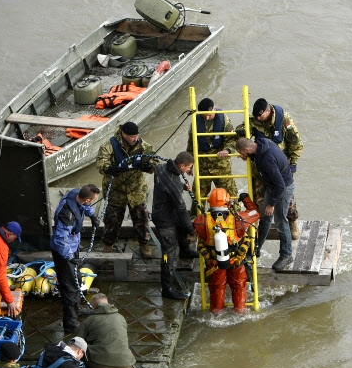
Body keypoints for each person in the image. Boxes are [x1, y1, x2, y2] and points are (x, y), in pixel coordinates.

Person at [235, 98, 304, 239]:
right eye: (256, 116)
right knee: (260, 201)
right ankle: (260, 228)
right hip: (260, 169)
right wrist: (240, 131)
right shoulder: (254, 120)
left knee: (287, 199)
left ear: (268, 111)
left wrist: (292, 164)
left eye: (261, 115)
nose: (258, 118)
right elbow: (241, 134)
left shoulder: (284, 119)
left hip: (279, 168)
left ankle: (292, 222)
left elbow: (296, 144)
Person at [193, 188, 260, 314]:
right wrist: (245, 199)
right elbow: (255, 213)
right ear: (228, 203)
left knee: (217, 287)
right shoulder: (238, 219)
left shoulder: (200, 221)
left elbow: (192, 229)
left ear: (209, 203)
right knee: (239, 286)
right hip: (236, 261)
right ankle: (240, 311)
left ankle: (216, 313)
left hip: (215, 263)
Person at [96, 122, 158, 258]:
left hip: (136, 190)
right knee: (112, 220)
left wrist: (149, 166)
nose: (135, 139)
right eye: (132, 136)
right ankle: (108, 244)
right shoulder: (108, 146)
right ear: (124, 134)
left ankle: (144, 243)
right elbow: (101, 163)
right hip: (115, 191)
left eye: (137, 135)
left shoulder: (143, 146)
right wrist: (110, 169)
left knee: (142, 219)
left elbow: (155, 161)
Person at [235, 138, 295, 270]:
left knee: (280, 221)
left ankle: (286, 255)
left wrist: (271, 204)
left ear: (247, 149)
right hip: (272, 186)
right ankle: (256, 248)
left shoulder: (267, 159)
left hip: (283, 187)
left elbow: (280, 185)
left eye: (242, 154)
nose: (242, 156)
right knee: (265, 219)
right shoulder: (260, 144)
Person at [51, 184, 101, 334]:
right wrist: (70, 257)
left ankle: (77, 309)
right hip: (64, 252)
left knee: (77, 280)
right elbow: (60, 239)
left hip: (72, 247)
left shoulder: (75, 194)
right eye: (91, 201)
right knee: (70, 287)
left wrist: (92, 215)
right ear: (86, 199)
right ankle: (70, 324)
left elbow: (84, 207)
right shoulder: (67, 215)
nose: (90, 204)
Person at [151, 151, 199, 300]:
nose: (189, 171)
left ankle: (185, 250)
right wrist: (191, 229)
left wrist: (182, 187)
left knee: (181, 227)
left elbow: (167, 185)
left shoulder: (160, 168)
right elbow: (182, 208)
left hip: (165, 210)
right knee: (168, 255)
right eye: (189, 167)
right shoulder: (175, 184)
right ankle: (167, 288)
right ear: (182, 165)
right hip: (164, 220)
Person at [186, 98, 239, 216]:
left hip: (221, 165)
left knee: (229, 194)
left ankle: (236, 219)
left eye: (209, 115)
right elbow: (191, 144)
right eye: (204, 116)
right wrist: (189, 164)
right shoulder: (195, 121)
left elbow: (232, 139)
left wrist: (227, 150)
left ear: (214, 109)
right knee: (198, 195)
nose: (207, 118)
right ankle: (197, 223)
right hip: (203, 165)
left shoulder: (224, 120)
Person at [75, 293, 135, 368]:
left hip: (99, 364)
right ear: (108, 304)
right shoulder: (121, 317)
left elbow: (77, 342)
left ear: (93, 307)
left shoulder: (89, 320)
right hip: (125, 363)